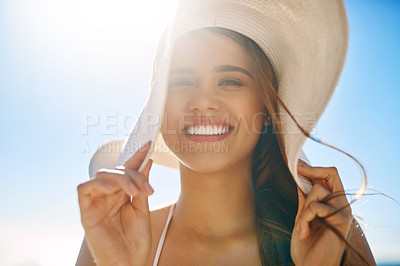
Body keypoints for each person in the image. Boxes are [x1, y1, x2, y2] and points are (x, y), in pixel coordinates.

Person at [76, 0, 375, 265]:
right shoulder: (112, 240)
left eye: (230, 81)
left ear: (268, 111)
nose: (203, 102)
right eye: (180, 82)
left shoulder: (333, 236)